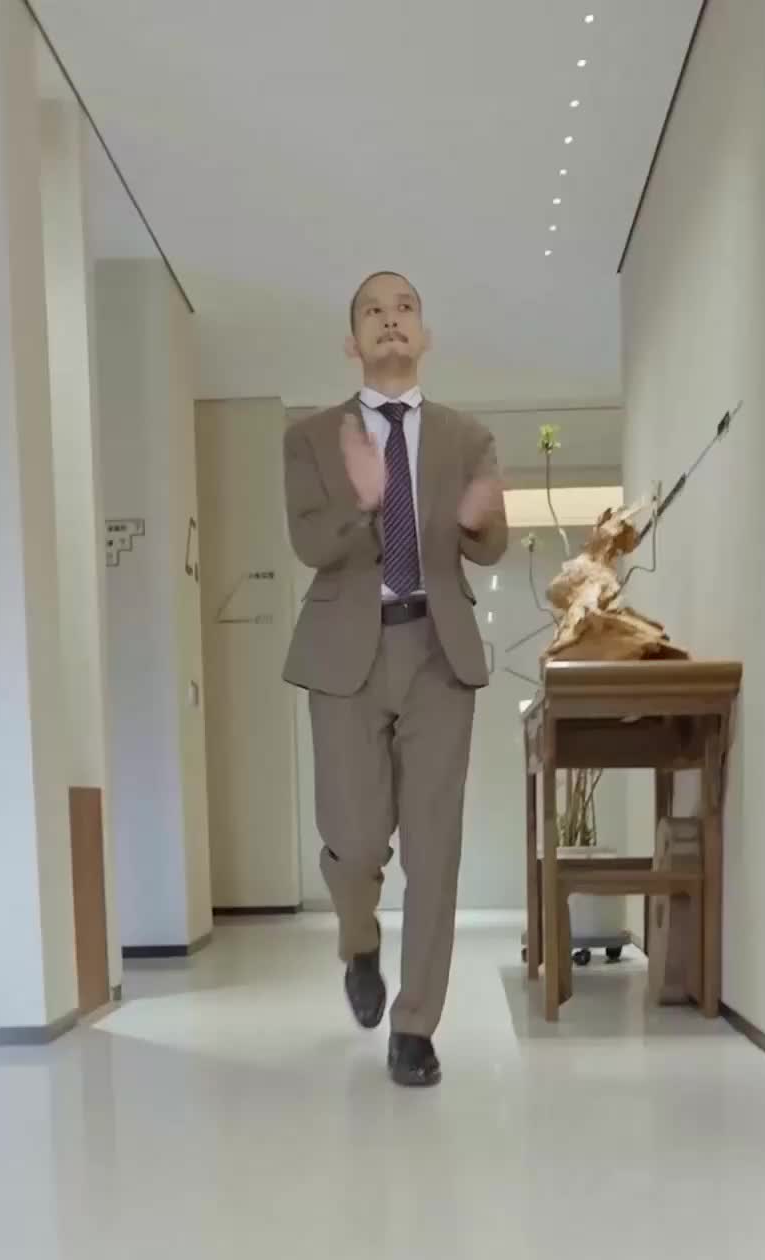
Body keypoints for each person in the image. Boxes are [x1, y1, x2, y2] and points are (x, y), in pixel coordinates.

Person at [283, 272, 507, 1088]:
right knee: (354, 840)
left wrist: (479, 523)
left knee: (434, 850)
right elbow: (310, 544)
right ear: (352, 342)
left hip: (439, 651)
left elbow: (490, 544)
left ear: (425, 334)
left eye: (405, 307)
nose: (390, 320)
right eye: (373, 311)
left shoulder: (467, 435)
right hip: (346, 654)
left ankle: (415, 1026)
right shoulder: (312, 437)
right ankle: (358, 941)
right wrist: (364, 504)